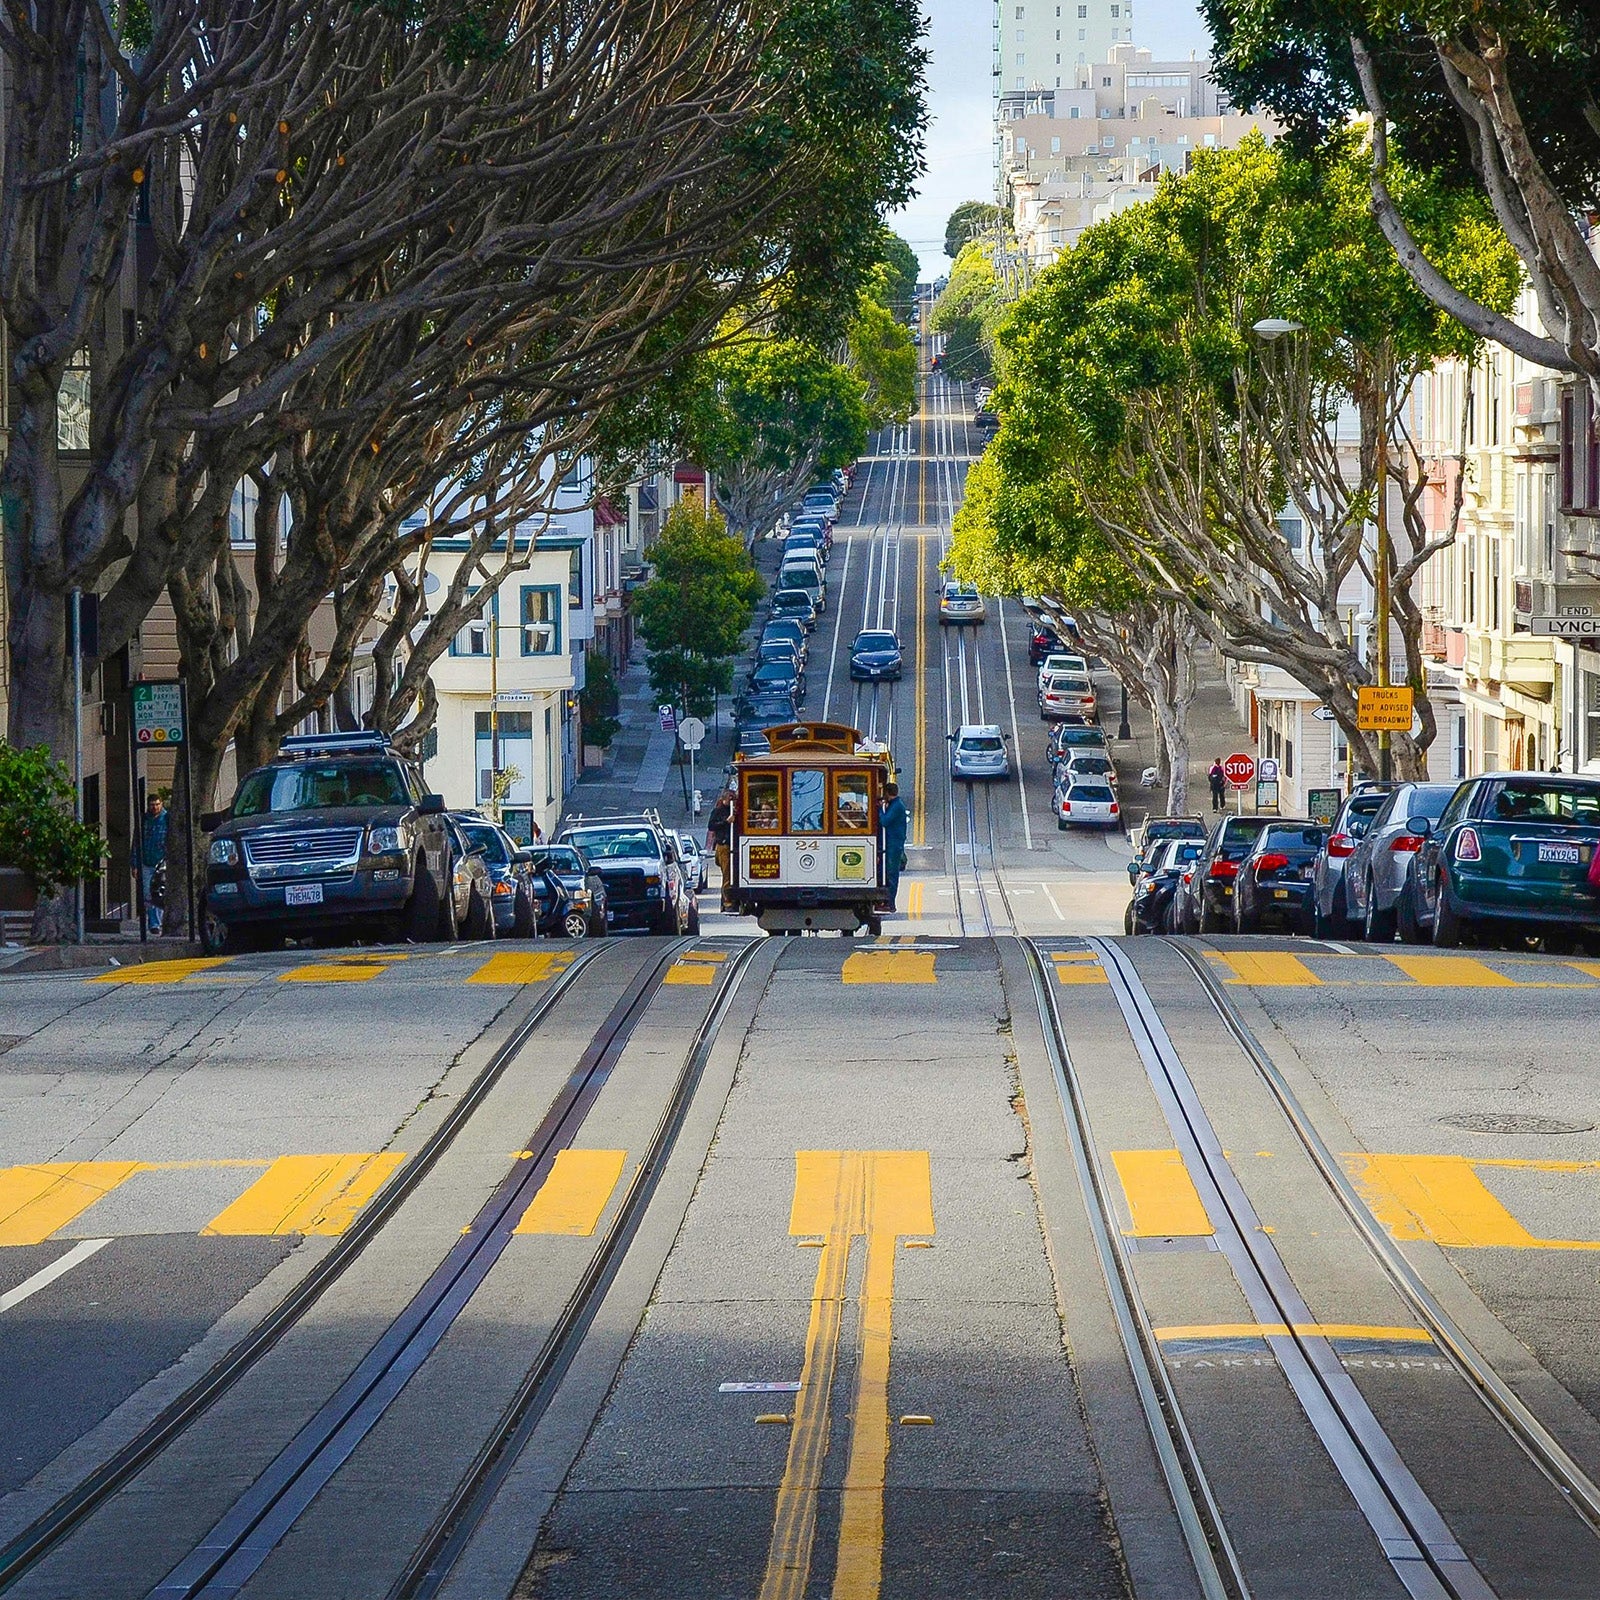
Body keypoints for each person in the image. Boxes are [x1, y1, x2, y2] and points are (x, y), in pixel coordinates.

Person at [140, 793, 168, 935]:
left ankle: (159, 921)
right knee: (148, 894)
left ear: (161, 804)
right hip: (147, 862)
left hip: (162, 862)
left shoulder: (167, 818)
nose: (155, 807)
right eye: (152, 805)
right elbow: (137, 841)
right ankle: (153, 923)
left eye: (157, 804)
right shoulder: (144, 820)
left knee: (160, 893)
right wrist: (135, 863)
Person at [880, 780, 909, 913]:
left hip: (894, 844)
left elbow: (885, 821)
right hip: (892, 843)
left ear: (888, 793)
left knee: (892, 873)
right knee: (888, 872)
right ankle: (886, 901)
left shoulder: (897, 806)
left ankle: (890, 903)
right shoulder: (895, 804)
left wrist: (880, 809)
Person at [707, 789, 734, 910]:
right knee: (727, 873)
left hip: (733, 845)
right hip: (723, 845)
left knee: (732, 874)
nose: (732, 800)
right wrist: (726, 822)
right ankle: (727, 900)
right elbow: (711, 826)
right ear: (724, 798)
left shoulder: (733, 810)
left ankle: (730, 898)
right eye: (730, 798)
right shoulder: (718, 811)